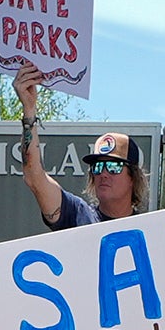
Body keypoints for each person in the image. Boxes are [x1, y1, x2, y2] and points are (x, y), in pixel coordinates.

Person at [16, 71, 140, 228]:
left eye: (113, 167)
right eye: (97, 167)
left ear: (133, 179)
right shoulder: (77, 215)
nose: (103, 174)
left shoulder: (152, 229)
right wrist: (29, 109)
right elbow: (34, 178)